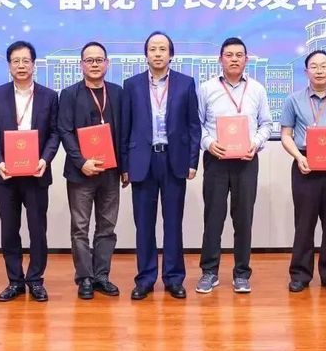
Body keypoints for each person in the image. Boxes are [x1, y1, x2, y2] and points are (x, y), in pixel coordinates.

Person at [123, 32, 201, 300]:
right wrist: (125, 165)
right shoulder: (131, 85)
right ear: (146, 54)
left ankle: (173, 278)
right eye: (153, 49)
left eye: (162, 49)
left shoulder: (185, 83)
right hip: (142, 162)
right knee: (144, 225)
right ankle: (145, 279)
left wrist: (193, 161)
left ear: (171, 54)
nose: (157, 54)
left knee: (173, 223)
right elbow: (126, 128)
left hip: (173, 160)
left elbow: (193, 126)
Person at [0, 41, 60, 302]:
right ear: (9, 65)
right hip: (6, 174)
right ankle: (15, 281)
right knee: (9, 229)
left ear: (33, 64)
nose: (20, 65)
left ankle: (36, 280)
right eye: (15, 61)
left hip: (36, 173)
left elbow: (55, 133)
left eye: (25, 61)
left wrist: (45, 159)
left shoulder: (49, 96)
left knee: (38, 229)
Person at [196, 37, 271, 294]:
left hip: (246, 161)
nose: (234, 59)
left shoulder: (257, 89)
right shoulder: (206, 88)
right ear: (220, 59)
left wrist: (256, 143)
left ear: (246, 60)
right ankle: (209, 272)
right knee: (213, 217)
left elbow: (266, 124)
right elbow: (197, 124)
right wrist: (208, 144)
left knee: (243, 218)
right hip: (216, 160)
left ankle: (241, 273)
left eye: (239, 55)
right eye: (229, 55)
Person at [280, 50, 326, 294]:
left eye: (324, 66)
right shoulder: (293, 100)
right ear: (306, 71)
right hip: (305, 165)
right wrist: (299, 157)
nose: (319, 70)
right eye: (314, 66)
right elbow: (286, 135)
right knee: (304, 223)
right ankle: (300, 274)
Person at [58, 41, 126, 299]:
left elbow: (124, 132)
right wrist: (81, 162)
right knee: (80, 228)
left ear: (107, 63)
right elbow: (65, 131)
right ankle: (85, 278)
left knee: (107, 226)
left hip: (111, 172)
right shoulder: (69, 94)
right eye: (89, 60)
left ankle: (102, 276)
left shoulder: (118, 93)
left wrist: (125, 167)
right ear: (81, 65)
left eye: (99, 60)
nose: (95, 64)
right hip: (81, 174)